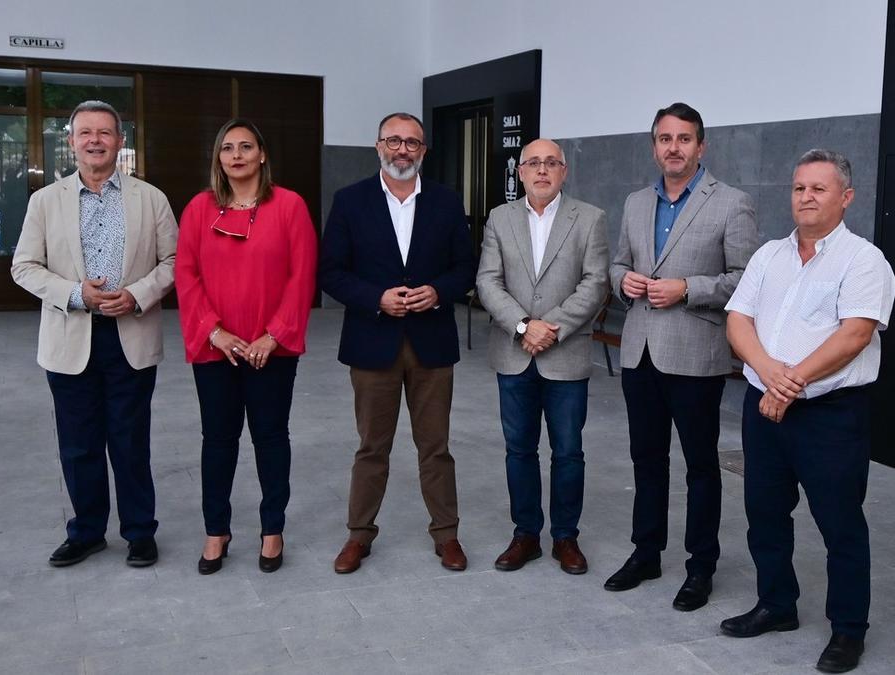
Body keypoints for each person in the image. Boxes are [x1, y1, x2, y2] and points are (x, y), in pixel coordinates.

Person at [723, 149, 895, 673]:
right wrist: (771, 375)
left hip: (830, 415)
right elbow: (738, 320)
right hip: (764, 408)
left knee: (840, 523)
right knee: (764, 514)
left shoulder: (864, 259)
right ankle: (777, 605)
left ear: (846, 197)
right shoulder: (768, 255)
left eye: (819, 189)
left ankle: (848, 629)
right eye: (799, 188)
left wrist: (790, 381)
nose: (806, 197)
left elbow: (855, 335)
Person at [604, 102, 759, 611]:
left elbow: (744, 280)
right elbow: (620, 261)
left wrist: (687, 288)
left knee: (699, 466)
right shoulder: (634, 203)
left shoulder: (732, 203)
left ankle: (700, 567)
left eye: (684, 139)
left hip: (695, 355)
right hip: (640, 352)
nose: (674, 147)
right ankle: (646, 553)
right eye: (665, 139)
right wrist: (621, 281)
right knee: (646, 460)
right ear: (654, 146)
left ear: (701, 146)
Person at [10, 100, 177, 568]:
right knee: (78, 443)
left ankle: (140, 532)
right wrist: (75, 294)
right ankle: (86, 532)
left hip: (131, 334)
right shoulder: (45, 201)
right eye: (85, 133)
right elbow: (24, 267)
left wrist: (139, 295)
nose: (95, 141)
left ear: (121, 141)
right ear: (71, 142)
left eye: (105, 132)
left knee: (130, 440)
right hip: (70, 337)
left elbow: (176, 263)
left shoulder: (152, 198)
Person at [319, 112, 476, 573]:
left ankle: (446, 536)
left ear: (424, 151)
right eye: (394, 141)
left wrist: (439, 291)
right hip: (373, 341)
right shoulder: (350, 201)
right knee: (372, 447)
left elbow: (465, 268)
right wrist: (375, 298)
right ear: (378, 146)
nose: (402, 149)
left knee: (436, 447)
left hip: (432, 341)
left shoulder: (446, 202)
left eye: (412, 142)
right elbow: (330, 271)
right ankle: (358, 536)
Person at [175, 119, 317, 574]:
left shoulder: (290, 206)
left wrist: (273, 336)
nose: (236, 155)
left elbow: (302, 277)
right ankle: (216, 529)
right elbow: (186, 274)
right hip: (215, 347)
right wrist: (213, 331)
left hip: (269, 350)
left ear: (262, 155)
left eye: (246, 147)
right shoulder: (199, 208)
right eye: (227, 148)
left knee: (271, 439)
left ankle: (272, 529)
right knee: (218, 440)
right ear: (218, 158)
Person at [475, 138, 609, 574]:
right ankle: (526, 534)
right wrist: (521, 326)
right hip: (514, 353)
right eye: (533, 163)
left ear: (564, 171)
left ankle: (565, 538)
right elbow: (488, 282)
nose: (542, 170)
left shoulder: (589, 218)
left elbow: (595, 284)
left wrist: (550, 327)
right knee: (519, 449)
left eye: (552, 162)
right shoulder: (500, 218)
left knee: (568, 451)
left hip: (564, 353)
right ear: (520, 172)